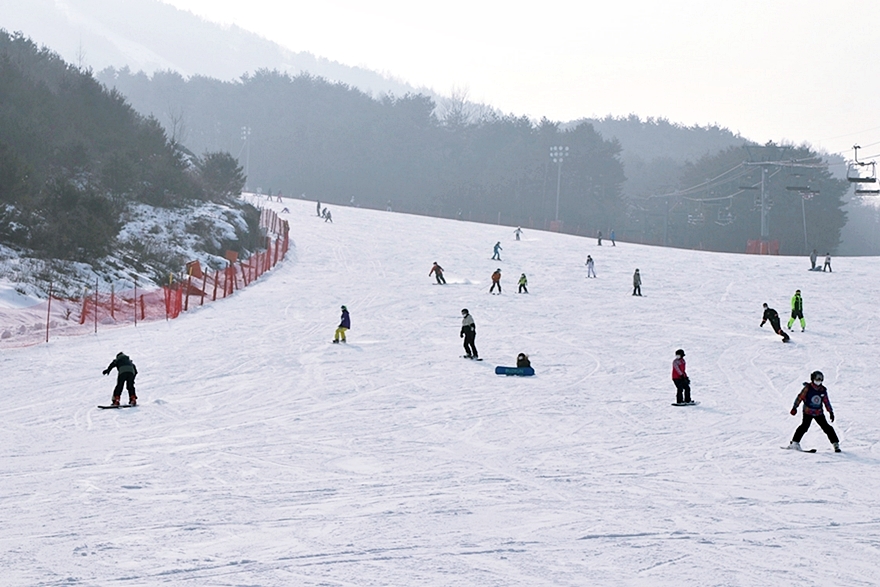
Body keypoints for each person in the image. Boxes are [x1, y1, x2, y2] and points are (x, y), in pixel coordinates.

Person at [788, 370, 840, 452]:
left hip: (818, 413)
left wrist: (830, 412)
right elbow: (800, 397)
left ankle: (835, 444)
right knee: (804, 427)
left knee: (827, 428)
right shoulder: (808, 388)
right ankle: (794, 443)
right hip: (808, 412)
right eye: (817, 378)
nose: (818, 381)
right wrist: (795, 407)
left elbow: (826, 402)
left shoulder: (822, 390)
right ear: (812, 378)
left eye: (820, 379)